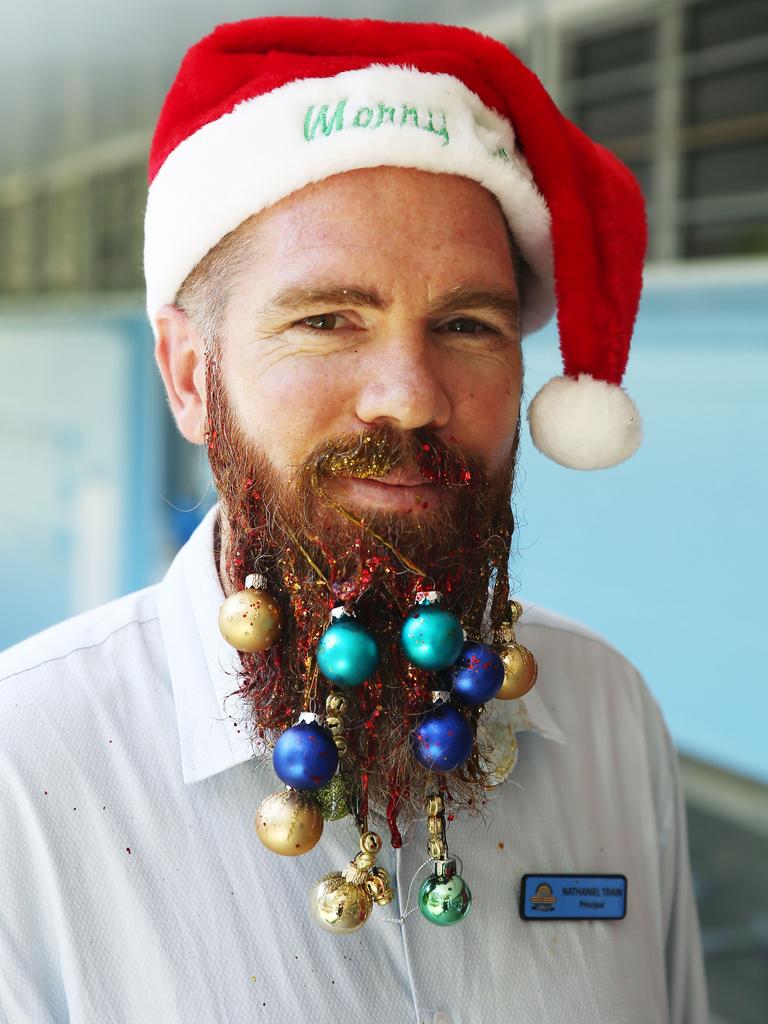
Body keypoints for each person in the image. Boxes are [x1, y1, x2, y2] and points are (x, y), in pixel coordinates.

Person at [0, 16, 707, 1024]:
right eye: (328, 320)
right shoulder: (25, 774)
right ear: (193, 377)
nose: (409, 396)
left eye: (467, 325)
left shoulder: (607, 716)